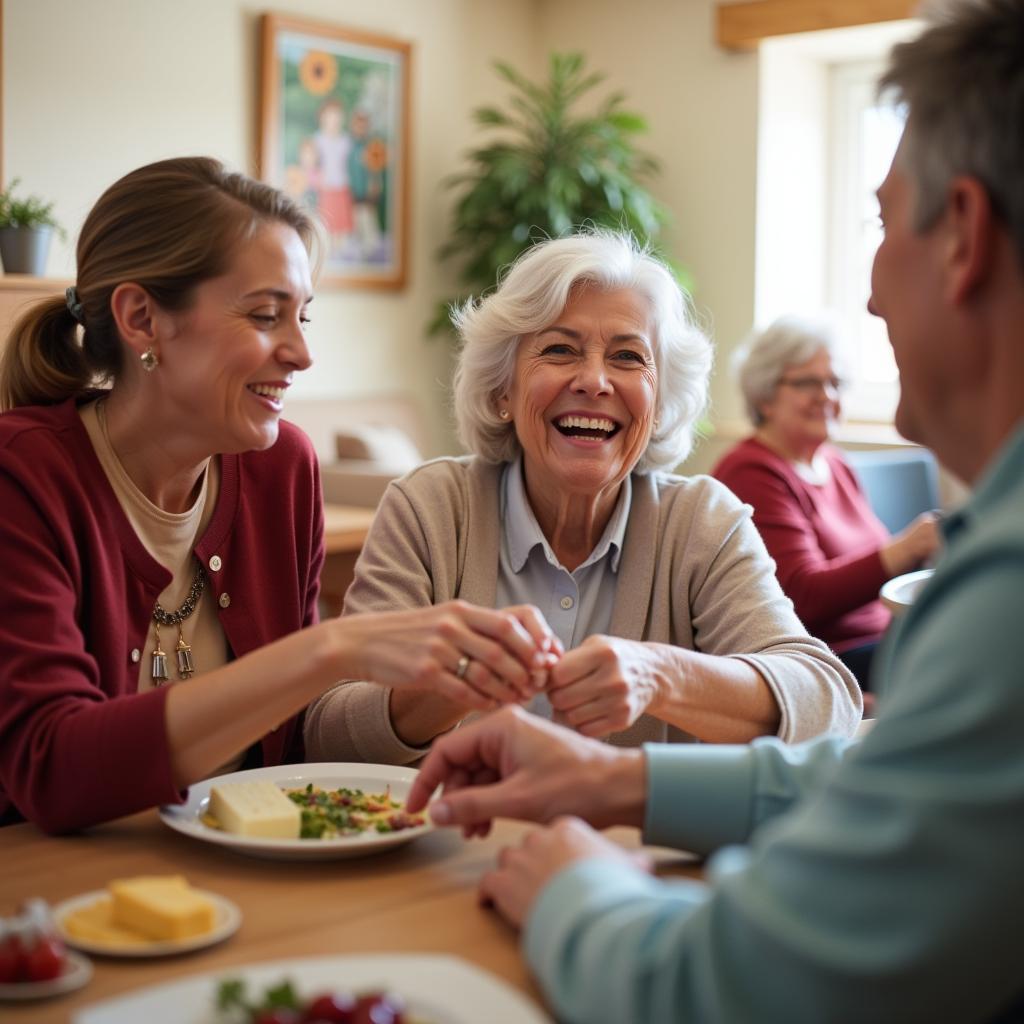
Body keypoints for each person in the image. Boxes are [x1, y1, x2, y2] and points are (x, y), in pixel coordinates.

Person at [405, 1, 1024, 1020]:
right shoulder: (431, 501)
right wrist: (616, 783)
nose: (868, 295)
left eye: (879, 223)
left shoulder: (999, 590)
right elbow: (877, 786)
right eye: (558, 349)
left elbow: (722, 989)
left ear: (960, 235)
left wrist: (574, 887)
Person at [0, 157, 558, 834]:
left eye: (303, 317)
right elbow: (53, 770)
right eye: (266, 315)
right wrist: (334, 649)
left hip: (246, 894)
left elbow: (295, 752)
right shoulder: (23, 478)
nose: (300, 352)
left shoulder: (280, 469)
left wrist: (440, 697)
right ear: (141, 318)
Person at [304, 231, 861, 766]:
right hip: (445, 851)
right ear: (503, 389)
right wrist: (442, 692)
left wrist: (660, 675)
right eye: (560, 350)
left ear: (660, 400)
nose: (594, 380)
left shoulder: (701, 522)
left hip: (630, 859)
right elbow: (327, 731)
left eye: (626, 357)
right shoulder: (429, 508)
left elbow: (828, 701)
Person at [712, 315, 940, 688]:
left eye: (835, 382)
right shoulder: (751, 472)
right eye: (808, 383)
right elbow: (801, 596)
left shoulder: (834, 462)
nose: (828, 396)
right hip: (828, 659)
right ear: (764, 397)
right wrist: (907, 547)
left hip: (881, 640)